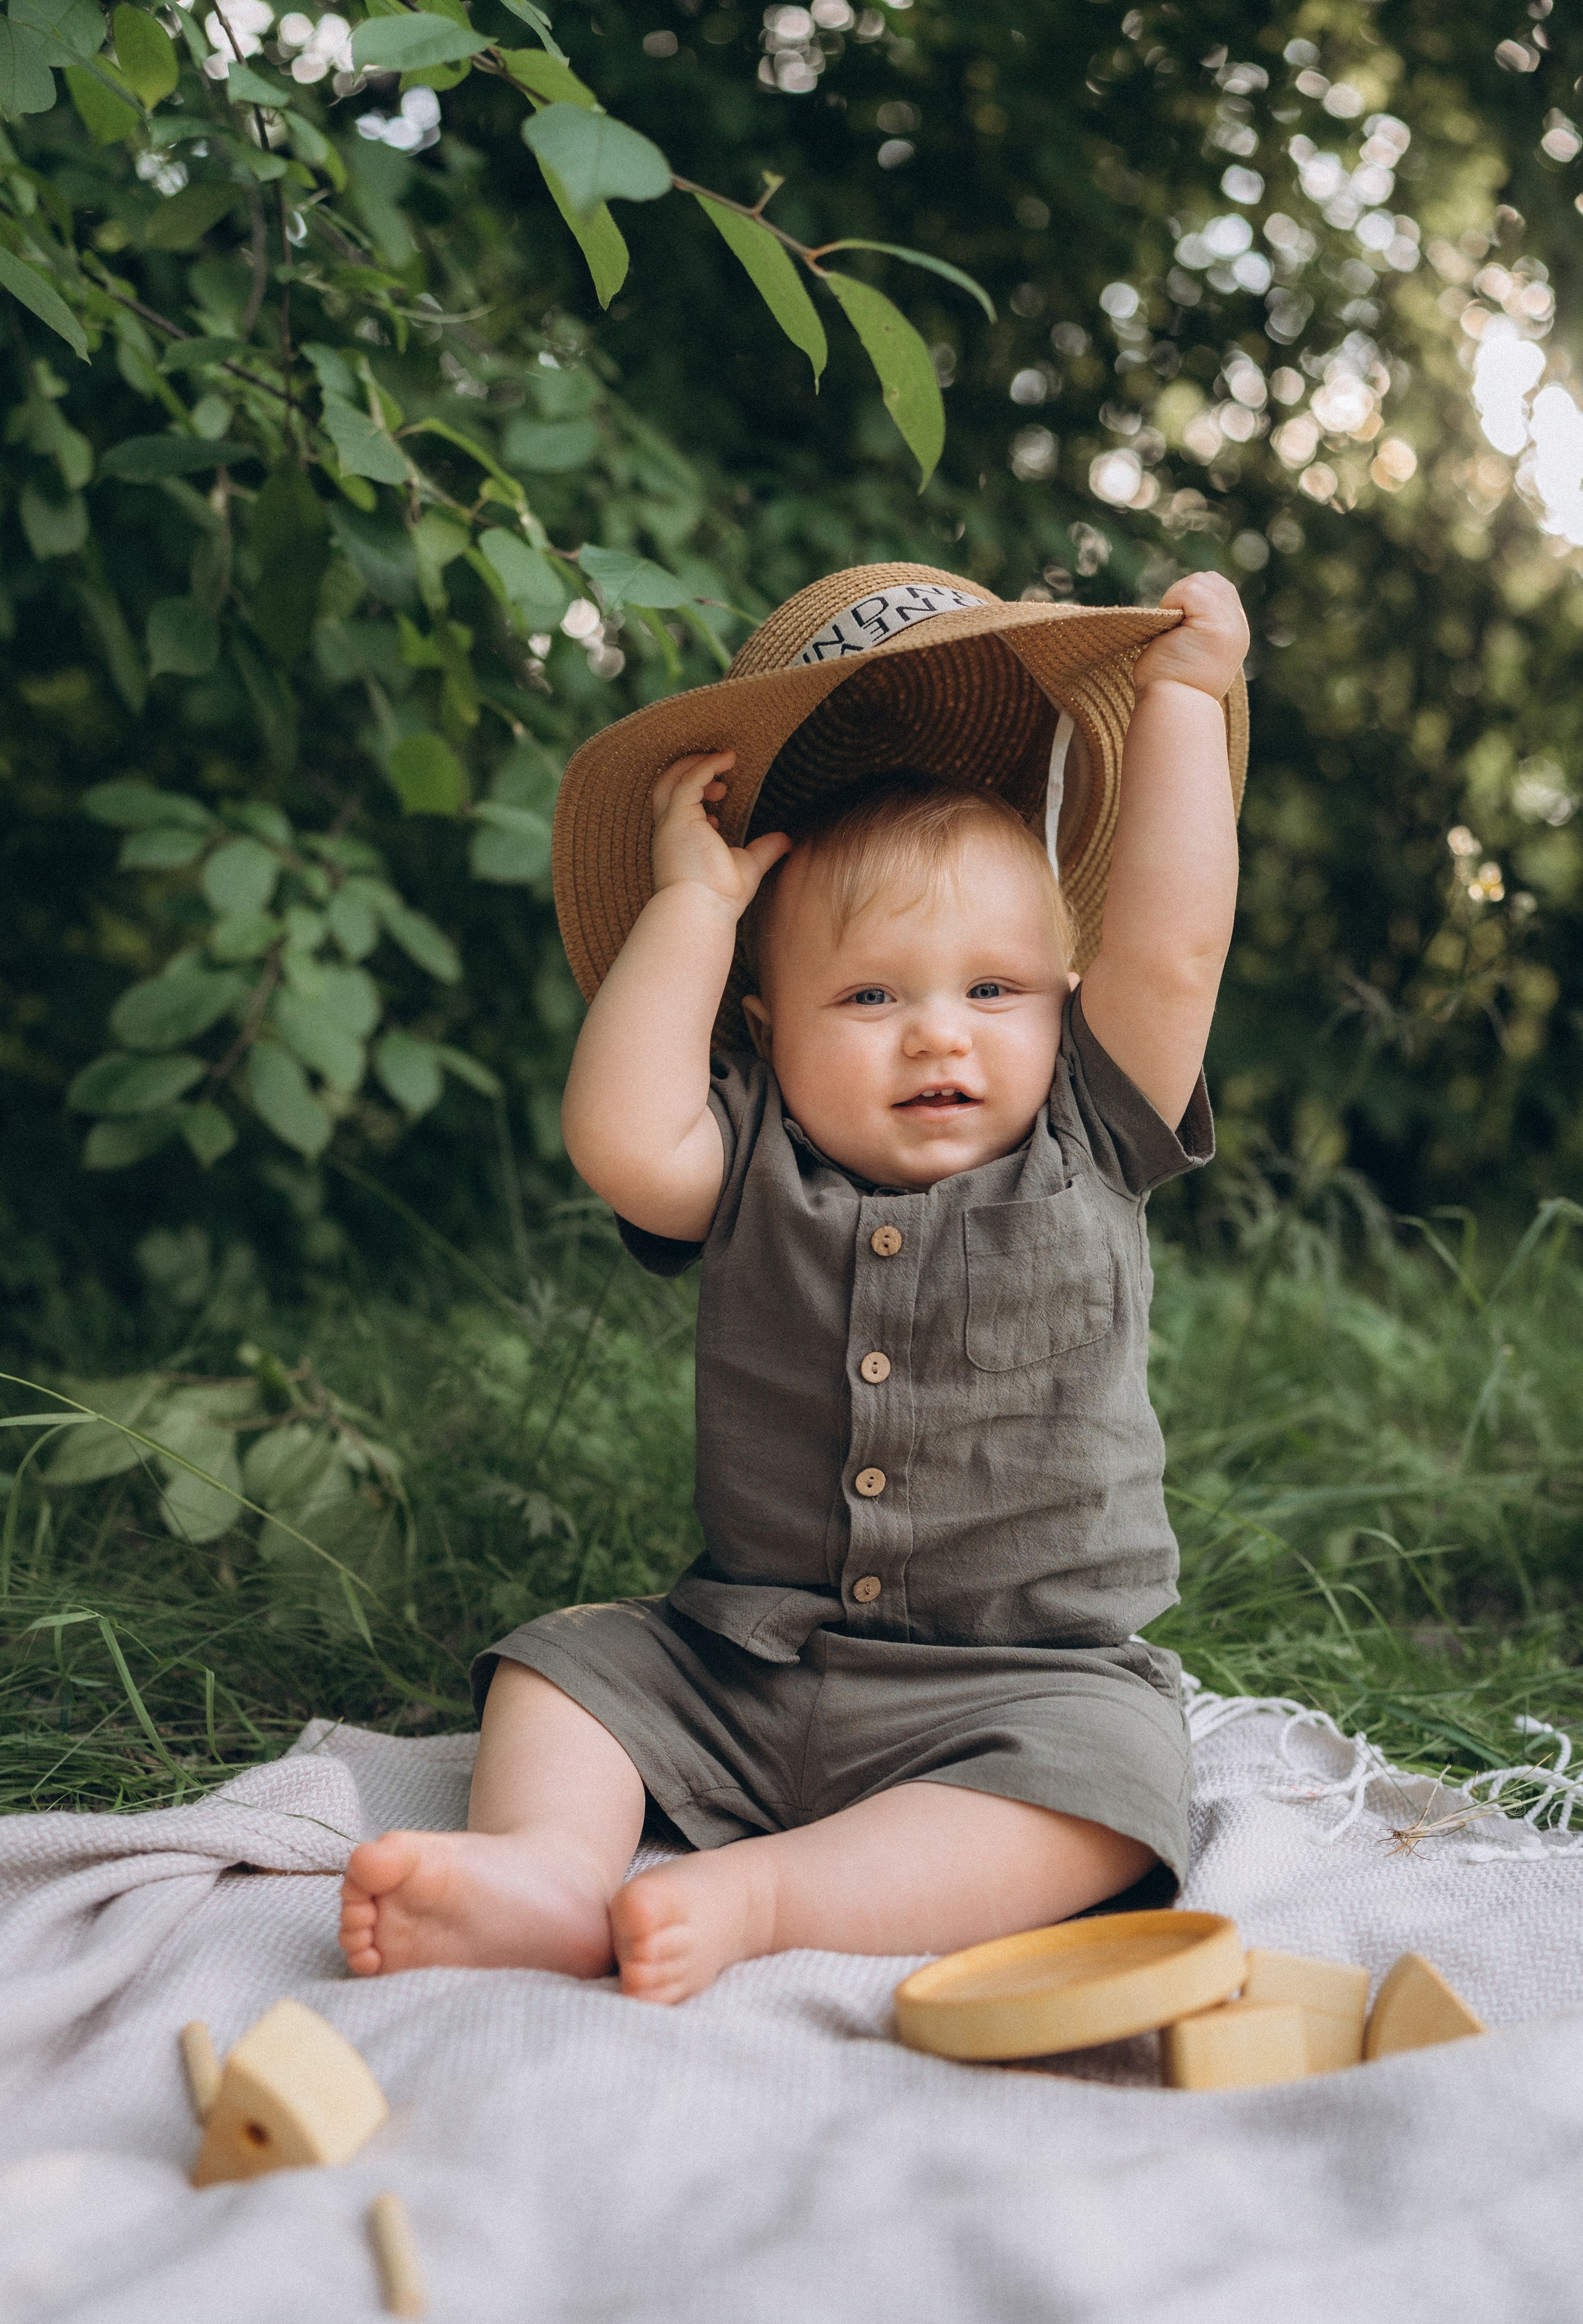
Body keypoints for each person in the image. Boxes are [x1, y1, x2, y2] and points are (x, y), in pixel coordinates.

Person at [339, 564, 1249, 2004]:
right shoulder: (746, 1148)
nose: (937, 1035)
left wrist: (1186, 702)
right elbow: (618, 1138)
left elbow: (1176, 946)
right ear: (765, 1034)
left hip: (1023, 1686)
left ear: (1067, 1001)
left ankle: (768, 1894)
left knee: (1110, 1786)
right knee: (562, 1668)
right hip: (743, 1666)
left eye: (994, 990)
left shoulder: (1090, 1127)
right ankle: (547, 1871)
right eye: (870, 995)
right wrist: (695, 909)